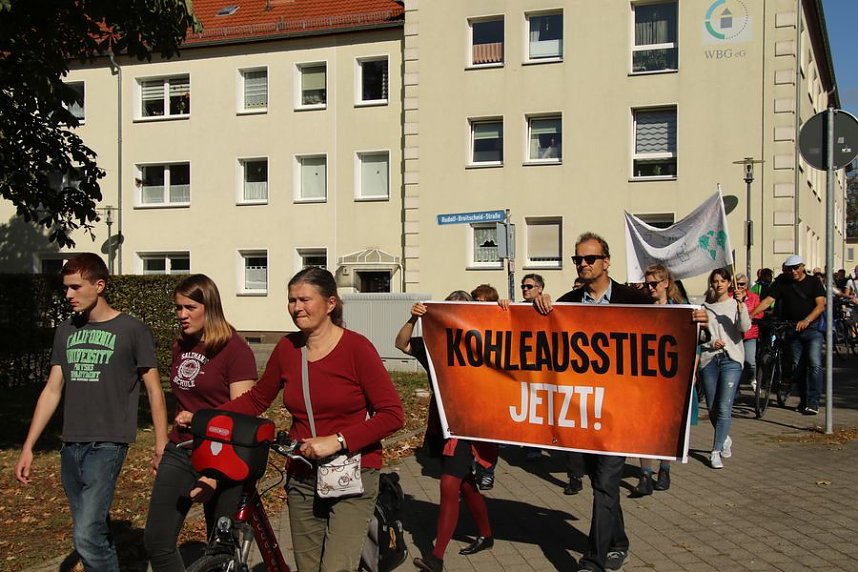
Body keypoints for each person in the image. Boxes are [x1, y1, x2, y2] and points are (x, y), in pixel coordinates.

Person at [178, 267, 404, 572]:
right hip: (303, 473)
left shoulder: (357, 348)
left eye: (305, 300)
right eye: (291, 300)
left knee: (336, 567)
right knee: (307, 567)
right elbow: (257, 399)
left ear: (330, 304)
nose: (296, 307)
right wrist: (206, 417)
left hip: (352, 473)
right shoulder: (288, 348)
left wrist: (338, 441)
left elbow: (392, 414)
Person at [14, 253, 168, 572]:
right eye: (65, 288)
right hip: (71, 444)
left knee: (85, 535)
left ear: (99, 285)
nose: (68, 295)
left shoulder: (132, 330)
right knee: (93, 530)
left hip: (108, 444)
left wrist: (160, 443)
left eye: (75, 287)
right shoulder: (66, 330)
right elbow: (52, 389)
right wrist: (28, 446)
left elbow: (154, 390)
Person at [533, 232, 652, 572]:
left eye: (590, 258)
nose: (583, 264)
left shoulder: (635, 301)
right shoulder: (567, 303)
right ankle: (619, 542)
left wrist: (698, 325)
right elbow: (530, 335)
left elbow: (669, 334)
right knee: (602, 483)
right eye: (578, 259)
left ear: (606, 261)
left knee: (605, 484)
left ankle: (593, 560)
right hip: (583, 409)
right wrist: (537, 307)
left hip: (620, 410)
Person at [144, 275, 257, 571]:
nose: (182, 315)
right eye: (178, 308)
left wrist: (214, 475)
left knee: (220, 549)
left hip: (224, 456)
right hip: (181, 449)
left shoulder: (235, 350)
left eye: (190, 308)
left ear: (210, 307)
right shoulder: (181, 345)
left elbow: (242, 418)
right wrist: (161, 447)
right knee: (157, 540)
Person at [396, 293, 495, 572]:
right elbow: (401, 343)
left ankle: (436, 557)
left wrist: (503, 308)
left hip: (466, 427)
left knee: (449, 485)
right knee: (465, 483)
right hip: (440, 424)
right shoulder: (434, 344)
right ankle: (487, 534)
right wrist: (413, 318)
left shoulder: (482, 345)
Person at [631, 264, 685, 496]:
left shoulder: (680, 310)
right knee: (644, 427)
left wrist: (691, 371)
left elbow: (692, 342)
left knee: (665, 427)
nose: (650, 288)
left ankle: (664, 469)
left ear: (665, 283)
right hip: (646, 375)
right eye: (647, 284)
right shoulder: (642, 309)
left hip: (670, 377)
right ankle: (645, 475)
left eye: (654, 283)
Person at [750, 255, 825, 415]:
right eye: (790, 269)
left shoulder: (813, 282)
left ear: (802, 267)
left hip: (812, 329)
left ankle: (813, 402)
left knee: (814, 363)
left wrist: (807, 320)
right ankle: (804, 400)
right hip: (792, 328)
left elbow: (820, 305)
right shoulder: (782, 282)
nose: (793, 271)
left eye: (796, 268)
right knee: (797, 366)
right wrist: (752, 315)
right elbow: (768, 300)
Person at [698, 268, 751, 470]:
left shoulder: (735, 304)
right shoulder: (704, 307)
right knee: (712, 407)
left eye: (722, 280)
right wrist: (712, 343)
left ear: (729, 283)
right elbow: (699, 337)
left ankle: (715, 450)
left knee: (724, 406)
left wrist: (741, 306)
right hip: (710, 359)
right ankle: (725, 438)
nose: (718, 284)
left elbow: (744, 328)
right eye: (715, 281)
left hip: (731, 359)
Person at [469, 284, 503, 491]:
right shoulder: (465, 322)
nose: (478, 305)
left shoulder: (498, 321)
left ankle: (488, 471)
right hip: (470, 388)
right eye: (476, 301)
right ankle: (471, 469)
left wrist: (505, 307)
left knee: (489, 436)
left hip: (492, 390)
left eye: (483, 302)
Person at [734, 273, 760, 393]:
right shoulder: (730, 297)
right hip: (735, 334)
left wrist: (748, 316)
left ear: (747, 285)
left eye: (742, 284)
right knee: (736, 362)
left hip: (750, 334)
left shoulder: (754, 297)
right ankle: (735, 387)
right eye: (737, 284)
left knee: (750, 361)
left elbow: (760, 313)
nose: (739, 286)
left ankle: (752, 378)